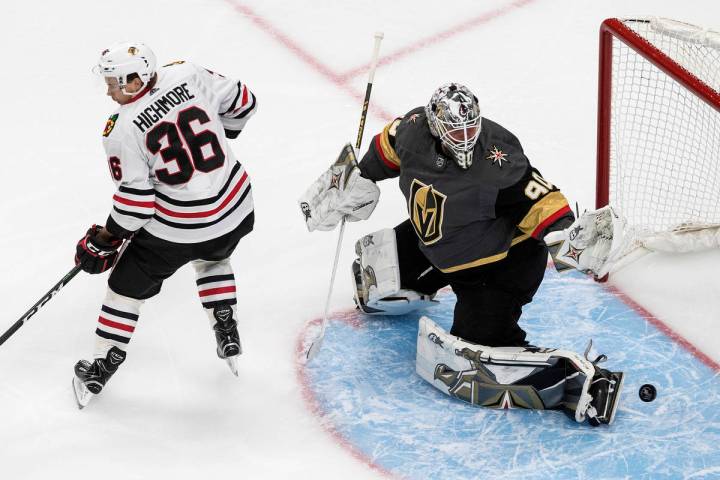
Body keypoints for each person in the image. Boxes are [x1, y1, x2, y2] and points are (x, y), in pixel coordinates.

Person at [299, 83, 625, 426]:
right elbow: (385, 149)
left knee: (473, 358)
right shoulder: (412, 130)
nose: (466, 136)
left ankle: (576, 384)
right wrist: (355, 179)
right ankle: (424, 281)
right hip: (438, 240)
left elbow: (542, 202)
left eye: (472, 127)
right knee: (374, 272)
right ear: (436, 125)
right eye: (457, 129)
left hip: (498, 265)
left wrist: (570, 238)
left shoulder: (499, 158)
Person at [72, 42, 257, 407]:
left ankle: (101, 365)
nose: (108, 91)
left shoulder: (121, 129)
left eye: (114, 82)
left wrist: (106, 239)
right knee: (213, 256)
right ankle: (226, 326)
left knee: (125, 287)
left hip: (179, 231)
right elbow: (244, 102)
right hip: (236, 209)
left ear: (136, 78)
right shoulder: (187, 71)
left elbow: (137, 206)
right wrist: (222, 135)